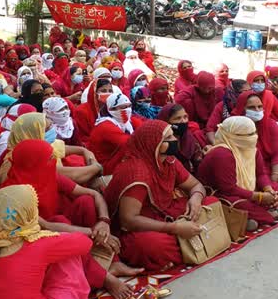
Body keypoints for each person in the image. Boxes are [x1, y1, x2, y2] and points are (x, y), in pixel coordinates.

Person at [2, 140, 136, 299]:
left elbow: (95, 194)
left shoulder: (48, 173)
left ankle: (111, 262)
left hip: (61, 227)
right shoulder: (13, 194)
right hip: (33, 239)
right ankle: (104, 278)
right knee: (61, 225)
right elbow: (45, 226)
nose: (54, 162)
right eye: (49, 158)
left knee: (86, 202)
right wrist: (93, 232)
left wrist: (104, 221)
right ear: (33, 162)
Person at [104, 120, 211, 271]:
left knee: (210, 202)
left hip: (164, 212)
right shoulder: (137, 172)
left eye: (173, 135)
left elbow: (195, 185)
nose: (174, 140)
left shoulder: (169, 161)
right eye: (168, 138)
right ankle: (191, 246)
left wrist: (196, 198)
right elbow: (128, 221)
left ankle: (183, 249)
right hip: (141, 226)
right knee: (152, 246)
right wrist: (176, 228)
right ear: (153, 144)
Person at [197, 117, 278, 227]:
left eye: (253, 133)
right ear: (233, 135)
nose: (252, 137)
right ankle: (266, 214)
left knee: (275, 187)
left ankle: (249, 218)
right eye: (247, 135)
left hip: (244, 191)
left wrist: (269, 190)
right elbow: (229, 189)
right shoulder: (222, 154)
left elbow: (261, 174)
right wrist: (260, 197)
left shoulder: (252, 148)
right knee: (236, 202)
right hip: (222, 194)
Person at [88, 93, 137, 174]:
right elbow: (128, 143)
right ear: (111, 109)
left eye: (129, 106)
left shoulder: (127, 122)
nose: (127, 110)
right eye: (123, 107)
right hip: (103, 167)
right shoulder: (105, 126)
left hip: (115, 162)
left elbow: (144, 125)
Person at [158, 103, 206, 174]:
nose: (183, 121)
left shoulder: (189, 138)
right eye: (178, 118)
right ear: (167, 121)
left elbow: (198, 161)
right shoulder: (161, 142)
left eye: (185, 117)